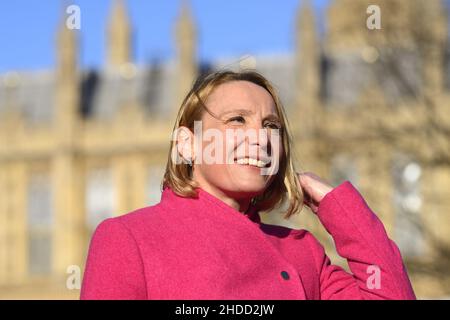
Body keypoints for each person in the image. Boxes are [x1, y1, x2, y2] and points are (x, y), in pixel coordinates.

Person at [80, 70, 416, 300]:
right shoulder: (130, 239)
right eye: (237, 120)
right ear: (187, 143)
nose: (259, 138)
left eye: (271, 126)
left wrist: (339, 208)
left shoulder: (302, 253)